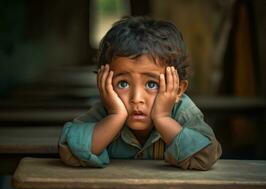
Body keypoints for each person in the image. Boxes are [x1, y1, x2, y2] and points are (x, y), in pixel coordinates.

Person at [58, 16, 222, 170]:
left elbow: (206, 155)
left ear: (178, 89)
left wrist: (163, 118)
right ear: (104, 84)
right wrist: (115, 116)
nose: (136, 99)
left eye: (152, 84)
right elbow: (69, 150)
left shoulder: (182, 111)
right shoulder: (105, 111)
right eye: (123, 84)